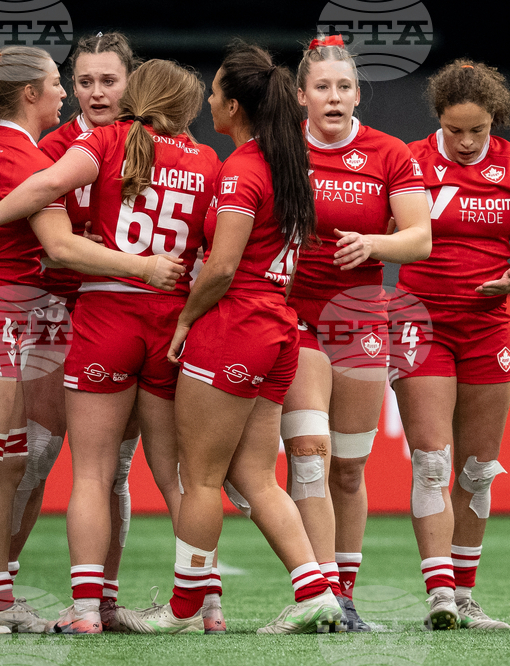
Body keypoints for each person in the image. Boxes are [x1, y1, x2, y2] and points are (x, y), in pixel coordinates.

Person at [0, 58, 216, 634]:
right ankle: (203, 601)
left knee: (99, 471)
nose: (95, 91)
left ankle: (84, 605)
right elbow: (218, 248)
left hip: (102, 311)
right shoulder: (202, 156)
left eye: (109, 81)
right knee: (153, 470)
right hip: (119, 313)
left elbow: (49, 209)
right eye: (81, 81)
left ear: (133, 87)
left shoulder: (96, 144)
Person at [115, 41, 341, 635]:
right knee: (254, 477)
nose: (208, 100)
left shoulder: (243, 167)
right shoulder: (288, 162)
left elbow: (220, 268)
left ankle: (184, 610)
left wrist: (187, 319)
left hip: (235, 326)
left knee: (203, 478)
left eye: (215, 93)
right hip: (277, 330)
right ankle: (317, 590)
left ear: (235, 106)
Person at [279, 34, 430, 631]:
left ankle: (345, 595)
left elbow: (418, 238)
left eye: (344, 87)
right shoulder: (281, 149)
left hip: (362, 317)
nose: (334, 97)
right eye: (323, 87)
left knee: (348, 466)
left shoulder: (389, 152)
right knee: (309, 459)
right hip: (293, 317)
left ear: (357, 93)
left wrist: (374, 243)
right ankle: (317, 594)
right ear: (302, 96)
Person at [392, 59, 510, 630]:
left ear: (494, 121)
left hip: (487, 326)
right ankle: (439, 593)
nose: (464, 141)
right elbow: (393, 232)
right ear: (439, 119)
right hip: (419, 322)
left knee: (477, 470)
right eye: (454, 129)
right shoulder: (407, 159)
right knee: (432, 462)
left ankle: (465, 594)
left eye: (476, 130)